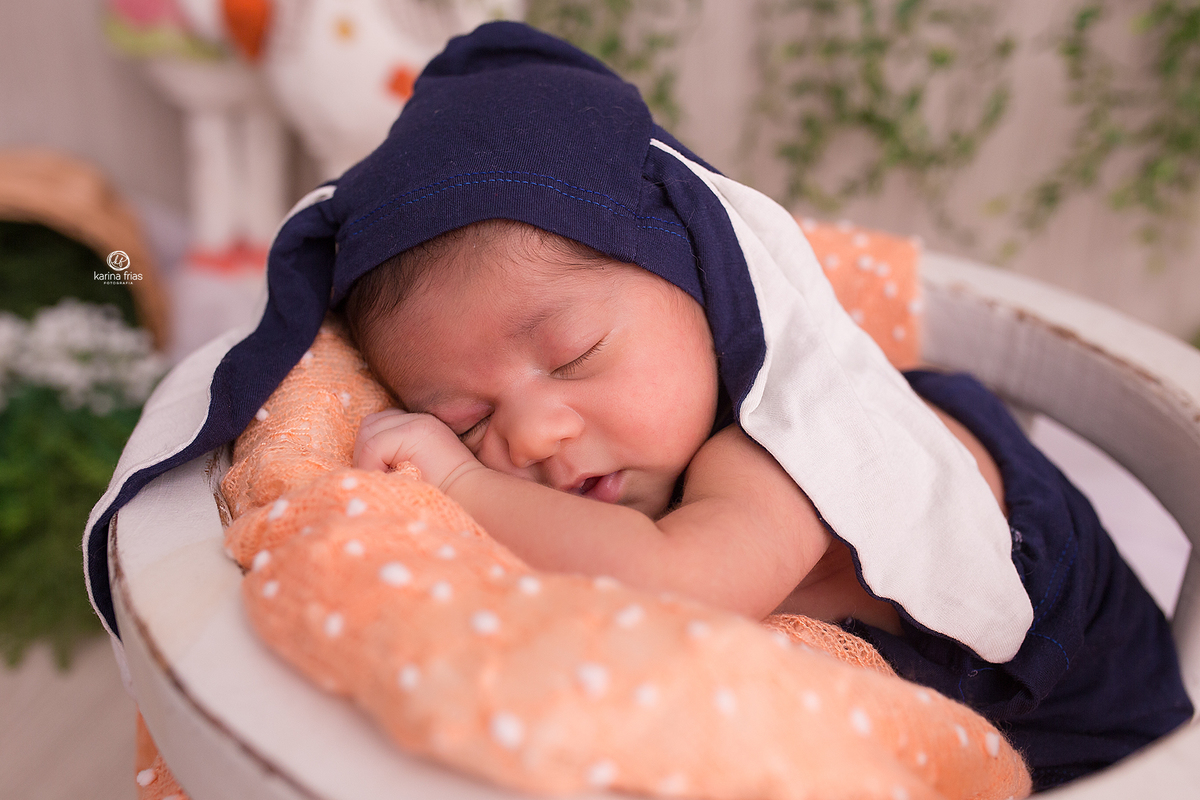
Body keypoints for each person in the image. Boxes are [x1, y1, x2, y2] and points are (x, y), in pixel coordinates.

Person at [83, 21, 1191, 791]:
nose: (531, 433)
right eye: (465, 418)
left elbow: (673, 581)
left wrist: (457, 476)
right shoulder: (656, 439)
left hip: (1110, 765)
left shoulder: (797, 442)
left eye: (573, 356)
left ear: (707, 289)